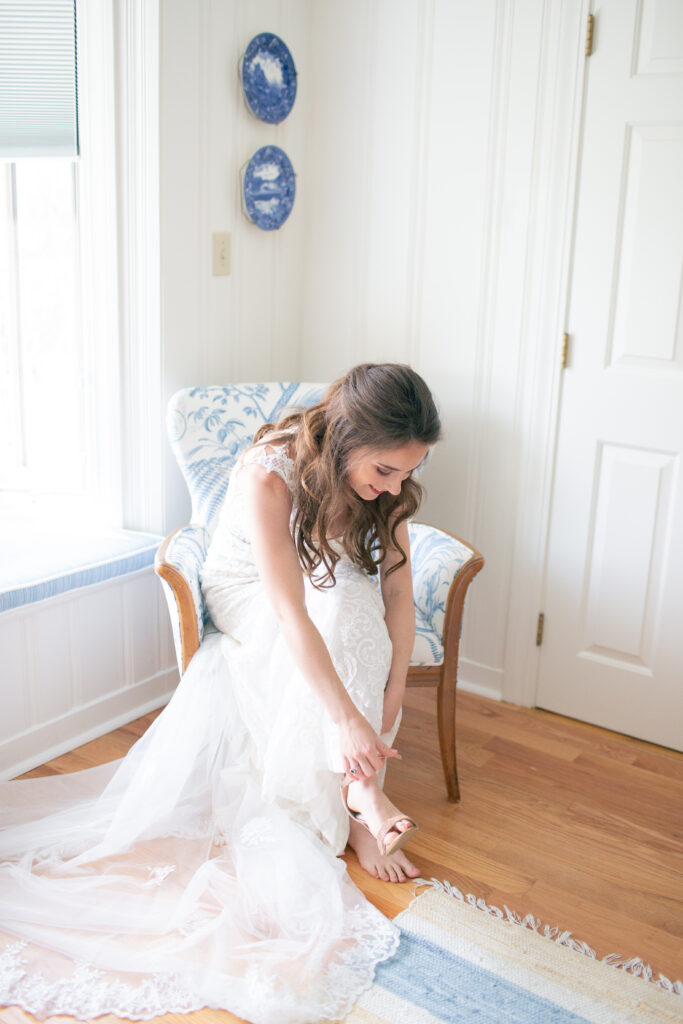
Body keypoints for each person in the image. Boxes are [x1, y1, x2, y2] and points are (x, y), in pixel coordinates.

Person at [0, 363, 442, 1024]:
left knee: (355, 614)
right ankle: (361, 799)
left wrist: (387, 698)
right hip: (252, 592)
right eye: (384, 471)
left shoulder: (387, 490)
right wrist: (347, 720)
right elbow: (288, 610)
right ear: (348, 443)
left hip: (326, 584)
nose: (394, 486)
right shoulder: (268, 475)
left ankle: (357, 789)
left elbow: (398, 596)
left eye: (406, 472)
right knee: (327, 614)